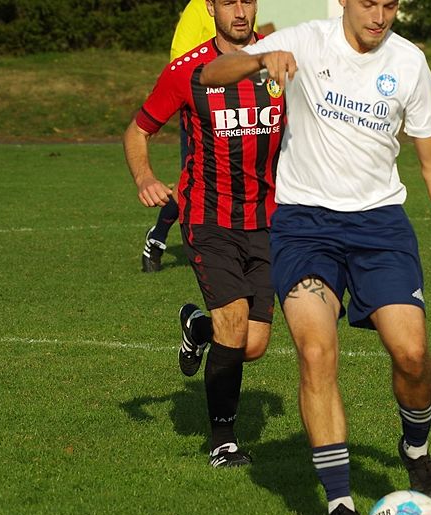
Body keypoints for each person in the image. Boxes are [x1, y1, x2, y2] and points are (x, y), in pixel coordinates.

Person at [199, 0, 431, 515]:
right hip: (304, 226)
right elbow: (211, 74)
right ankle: (340, 505)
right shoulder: (305, 40)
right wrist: (259, 59)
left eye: (390, 5)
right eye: (368, 3)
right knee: (317, 352)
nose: (379, 16)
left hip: (380, 227)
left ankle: (416, 450)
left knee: (412, 354)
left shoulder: (409, 62)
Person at [123, 0, 285, 468]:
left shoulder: (277, 61)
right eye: (228, 1)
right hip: (209, 220)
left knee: (252, 344)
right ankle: (223, 442)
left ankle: (198, 327)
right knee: (233, 324)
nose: (240, 10)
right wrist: (145, 178)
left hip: (267, 220)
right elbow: (138, 130)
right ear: (210, 7)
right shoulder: (187, 71)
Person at [140, 0, 216, 272]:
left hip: (240, 111)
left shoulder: (244, 7)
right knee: (194, 181)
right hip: (203, 110)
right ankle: (157, 237)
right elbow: (179, 61)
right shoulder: (197, 8)